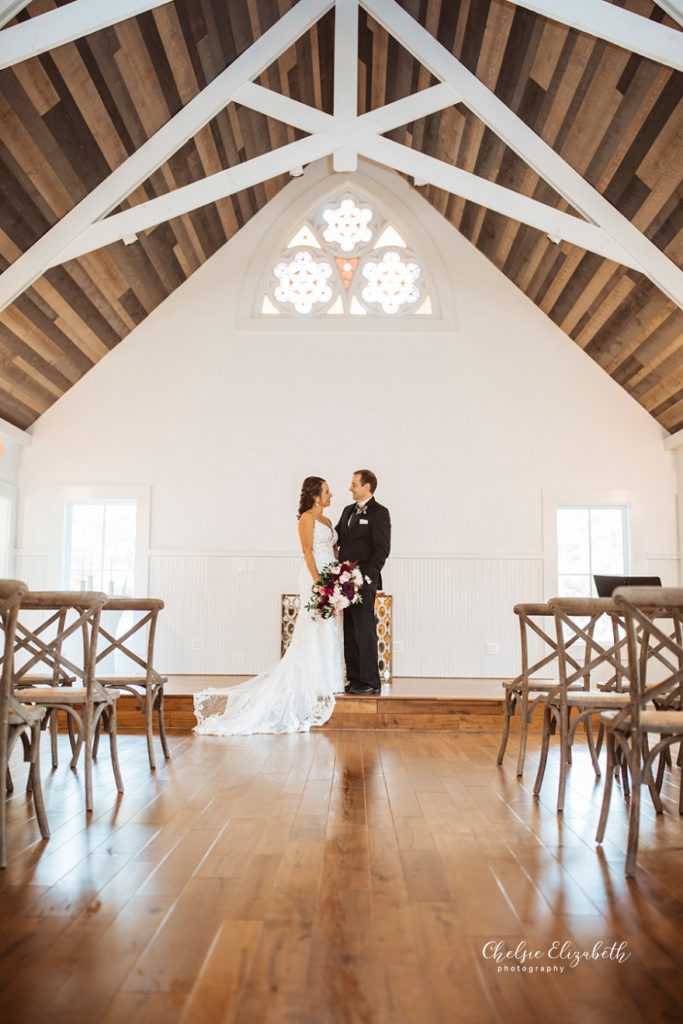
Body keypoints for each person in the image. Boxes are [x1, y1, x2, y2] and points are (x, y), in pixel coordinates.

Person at [193, 476, 344, 735]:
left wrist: (339, 579)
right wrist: (319, 583)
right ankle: (312, 680)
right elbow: (307, 551)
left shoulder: (329, 521)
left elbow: (334, 550)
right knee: (314, 624)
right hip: (314, 578)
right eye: (327, 491)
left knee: (330, 625)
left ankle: (329, 679)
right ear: (316, 495)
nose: (332, 495)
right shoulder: (306, 518)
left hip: (332, 578)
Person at [336, 469, 391, 695]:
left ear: (367, 486)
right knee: (350, 629)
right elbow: (337, 537)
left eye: (354, 484)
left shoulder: (380, 512)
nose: (350, 488)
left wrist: (368, 577)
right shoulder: (347, 510)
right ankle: (356, 678)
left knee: (365, 629)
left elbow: (382, 549)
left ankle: (370, 681)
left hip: (364, 580)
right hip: (344, 581)